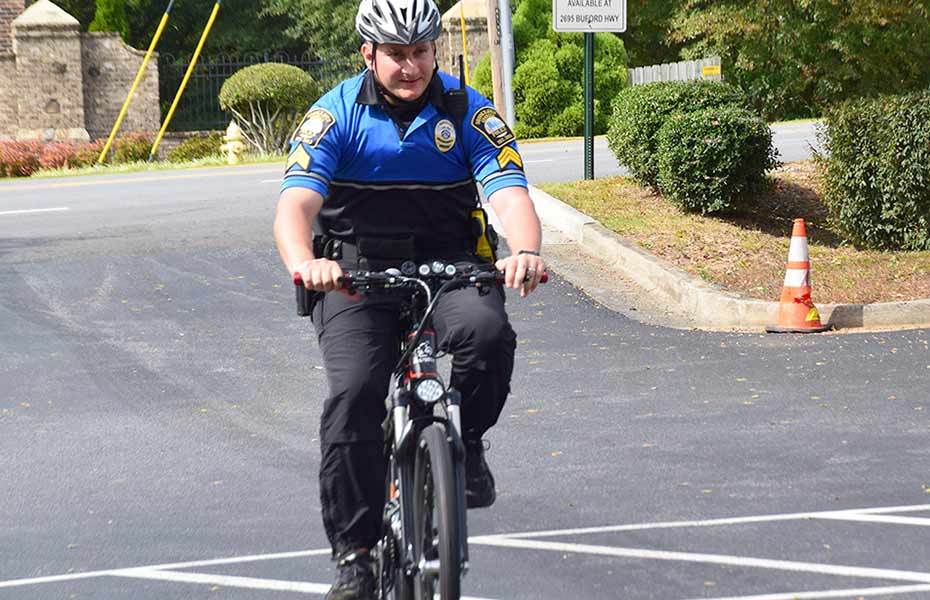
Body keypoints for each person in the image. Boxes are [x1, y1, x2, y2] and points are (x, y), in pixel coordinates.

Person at [273, 0, 545, 597]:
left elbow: (510, 195)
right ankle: (356, 556)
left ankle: (467, 445)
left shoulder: (469, 112)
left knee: (486, 335)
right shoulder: (335, 114)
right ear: (368, 54)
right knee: (355, 394)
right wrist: (306, 264)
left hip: (449, 264)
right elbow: (295, 206)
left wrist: (523, 249)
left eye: (420, 51)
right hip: (353, 275)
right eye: (395, 54)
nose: (410, 66)